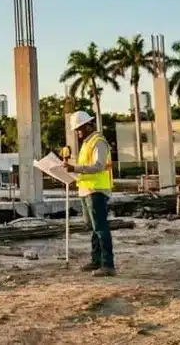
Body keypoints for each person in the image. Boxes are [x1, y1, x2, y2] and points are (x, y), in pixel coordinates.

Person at [63, 110, 115, 277]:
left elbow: (99, 166)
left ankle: (108, 265)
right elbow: (85, 167)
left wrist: (75, 169)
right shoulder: (86, 143)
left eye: (79, 128)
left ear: (88, 125)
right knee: (93, 227)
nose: (77, 132)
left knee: (100, 227)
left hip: (97, 190)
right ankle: (96, 260)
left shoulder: (98, 142)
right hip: (86, 189)